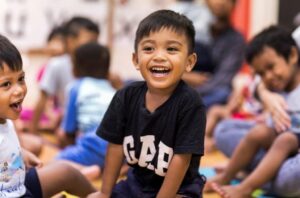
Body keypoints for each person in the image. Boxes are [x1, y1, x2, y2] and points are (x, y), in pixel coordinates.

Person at [88, 10, 206, 198]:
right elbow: (115, 146)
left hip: (179, 188)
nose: (159, 56)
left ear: (189, 62)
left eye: (172, 49)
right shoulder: (125, 96)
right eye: (149, 49)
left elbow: (181, 159)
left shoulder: (190, 103)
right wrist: (104, 192)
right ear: (136, 59)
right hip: (137, 183)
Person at [205, 26, 300, 197]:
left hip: (294, 145)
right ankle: (228, 176)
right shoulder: (275, 88)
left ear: (293, 56)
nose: (268, 77)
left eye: (271, 67)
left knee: (286, 140)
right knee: (255, 131)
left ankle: (246, 187)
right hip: (277, 139)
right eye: (261, 74)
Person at [0, 34, 96, 197]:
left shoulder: (5, 119)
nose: (19, 90)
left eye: (21, 79)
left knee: (65, 172)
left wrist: (22, 153)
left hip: (18, 184)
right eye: (6, 84)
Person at [55, 42, 117, 180]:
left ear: (77, 67)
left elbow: (68, 130)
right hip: (119, 152)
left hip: (92, 145)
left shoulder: (76, 87)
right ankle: (108, 169)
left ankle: (84, 170)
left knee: (56, 162)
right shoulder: (113, 90)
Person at [29, 16, 100, 134]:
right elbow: (42, 100)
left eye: (96, 42)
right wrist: (33, 132)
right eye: (90, 42)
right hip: (69, 126)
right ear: (70, 41)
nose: (94, 48)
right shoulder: (56, 65)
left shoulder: (97, 66)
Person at [182, 0, 245, 109]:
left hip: (210, 95)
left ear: (234, 4)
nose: (221, 2)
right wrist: (184, 77)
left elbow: (222, 80)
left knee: (223, 93)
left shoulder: (236, 40)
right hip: (179, 87)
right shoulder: (188, 31)